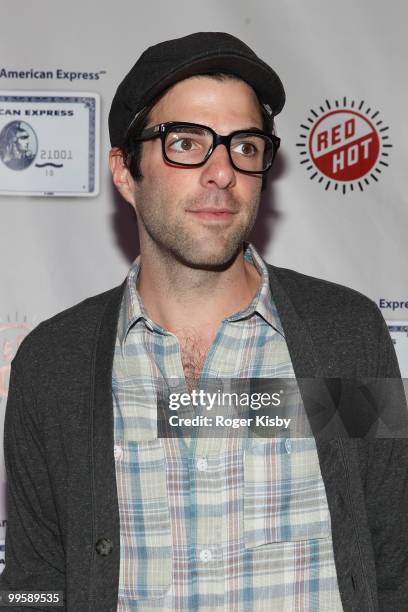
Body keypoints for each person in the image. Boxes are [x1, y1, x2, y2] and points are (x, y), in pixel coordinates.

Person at [0, 31, 407, 612]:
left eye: (244, 146)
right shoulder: (54, 366)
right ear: (124, 170)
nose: (222, 172)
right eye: (186, 142)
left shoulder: (347, 337)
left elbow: (394, 560)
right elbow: (32, 590)